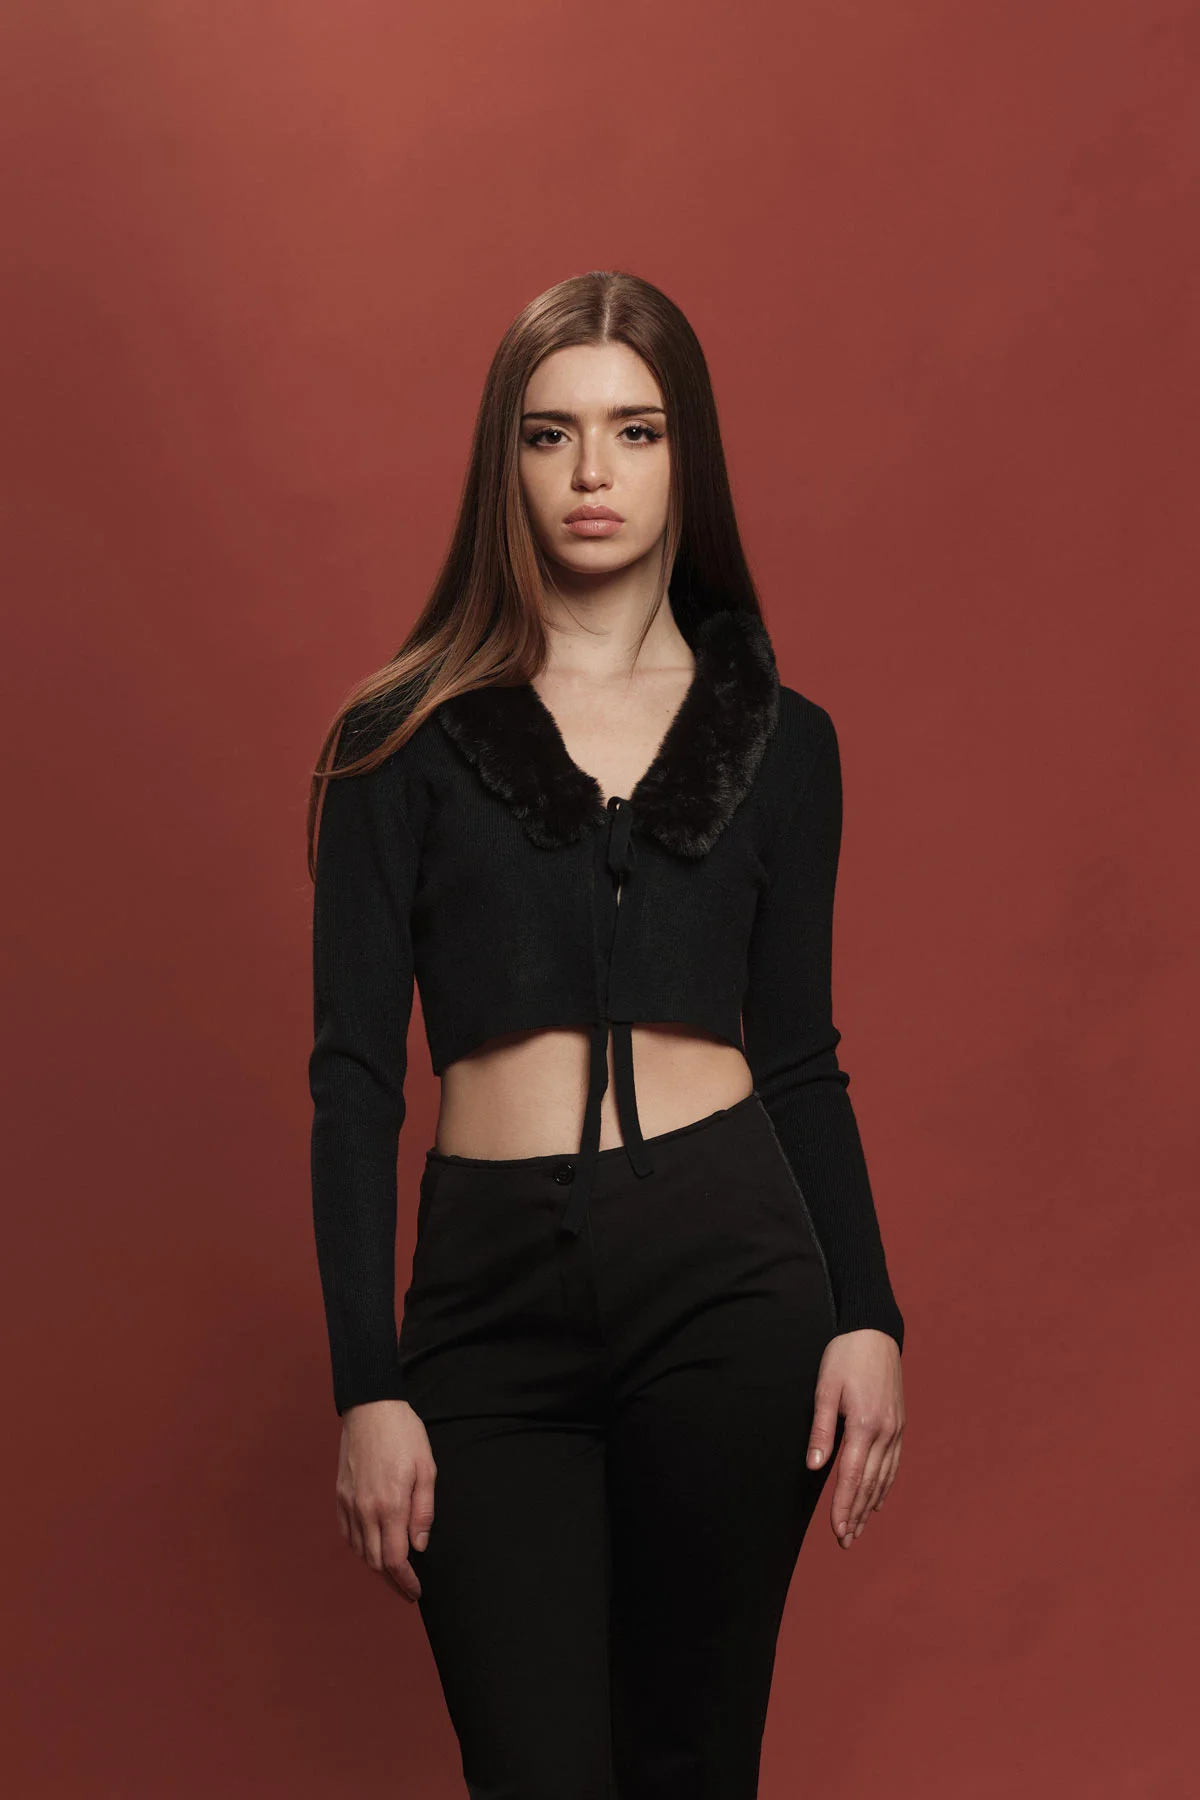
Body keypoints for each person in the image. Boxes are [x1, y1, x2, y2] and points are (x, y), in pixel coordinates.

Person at [306, 269, 906, 1800]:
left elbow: (800, 1057)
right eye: (550, 433)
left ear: (685, 455)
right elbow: (354, 1082)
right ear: (502, 462)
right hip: (488, 1298)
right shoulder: (398, 740)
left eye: (635, 431)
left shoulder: (785, 744)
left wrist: (870, 1315)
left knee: (692, 1763)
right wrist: (367, 1384)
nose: (592, 473)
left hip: (729, 1274)